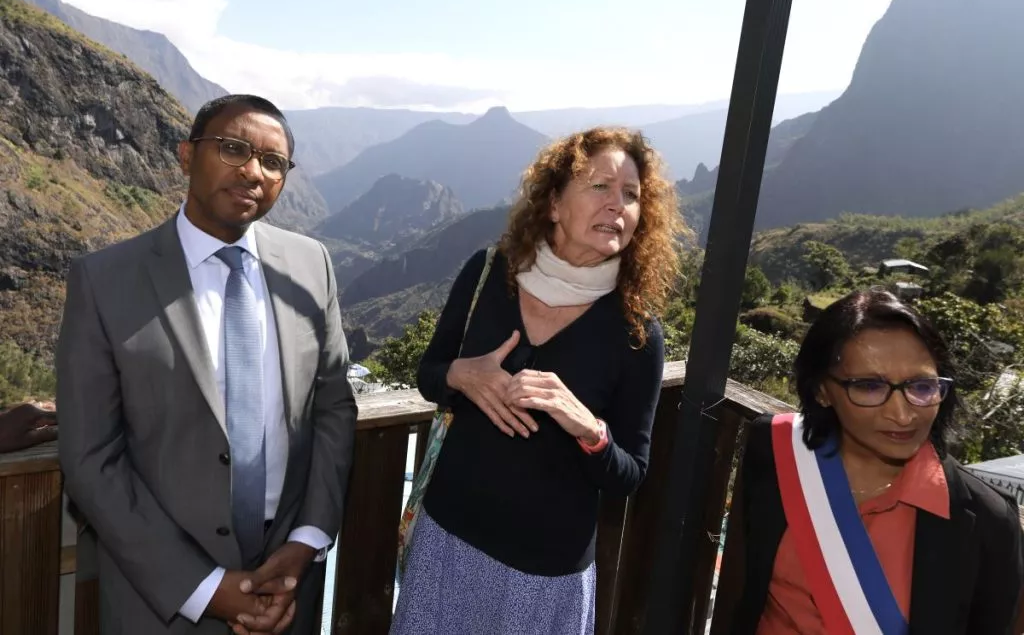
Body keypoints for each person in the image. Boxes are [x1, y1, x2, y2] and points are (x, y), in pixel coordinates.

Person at [56, 94, 358, 635]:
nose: (253, 172)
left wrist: (309, 537)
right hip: (159, 597)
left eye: (273, 162)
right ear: (186, 155)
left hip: (287, 584)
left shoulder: (311, 265)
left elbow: (334, 406)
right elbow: (90, 457)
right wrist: (200, 587)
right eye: (233, 149)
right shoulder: (105, 281)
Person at [391, 127, 684, 634]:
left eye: (631, 195)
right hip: (447, 542)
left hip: (545, 577)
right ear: (553, 204)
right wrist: (461, 374)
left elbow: (629, 474)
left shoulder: (636, 332)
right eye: (600, 186)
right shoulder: (488, 274)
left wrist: (587, 429)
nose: (617, 205)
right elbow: (430, 374)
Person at [726, 289, 1024, 634]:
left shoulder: (986, 522)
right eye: (868, 386)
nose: (902, 415)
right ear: (822, 390)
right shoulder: (778, 451)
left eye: (922, 386)